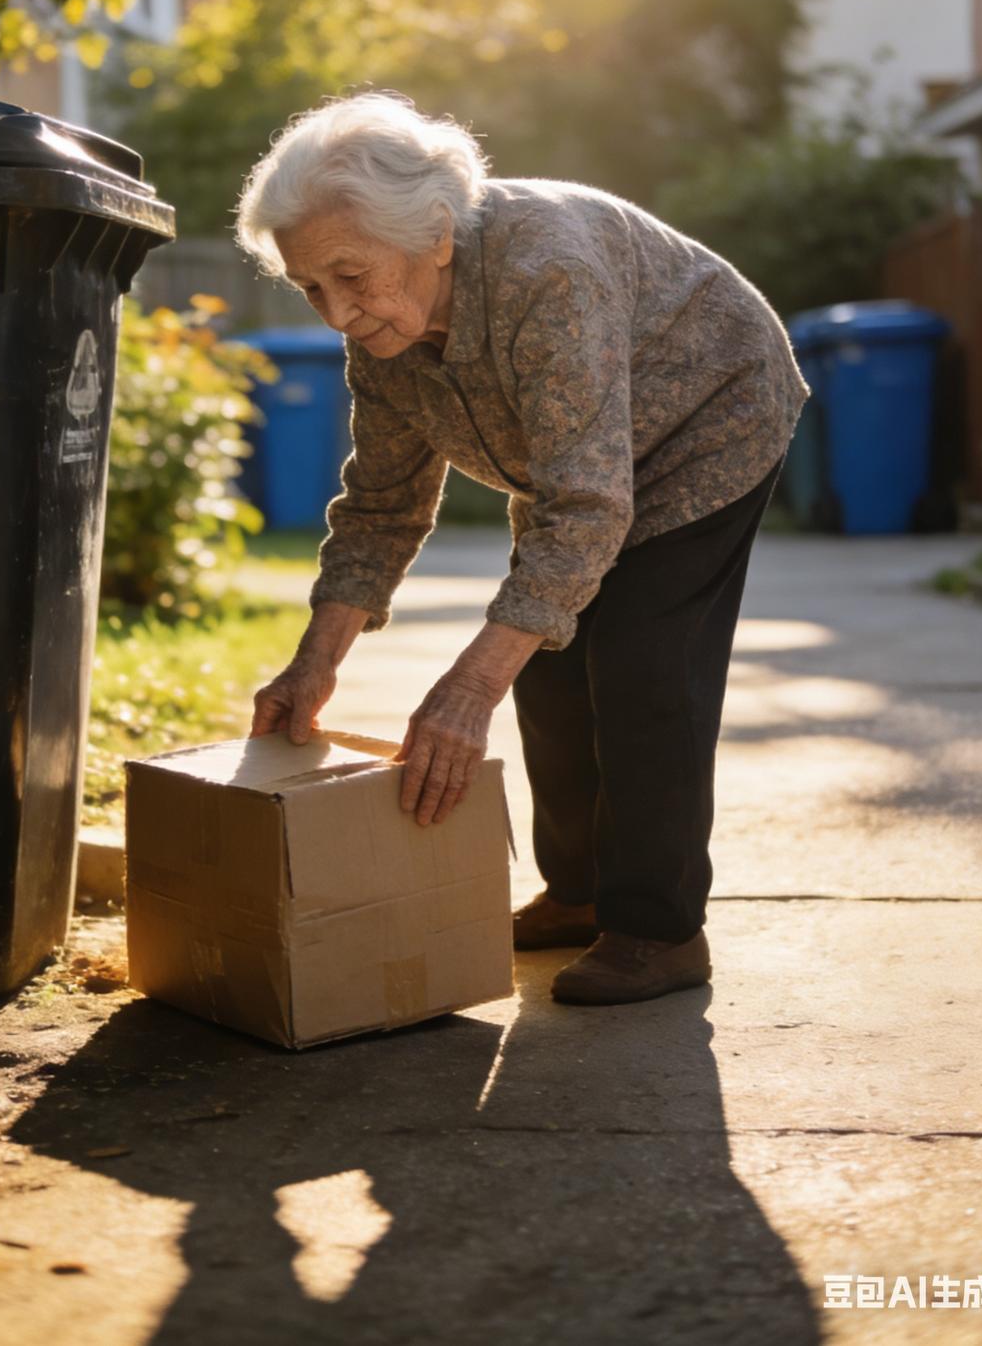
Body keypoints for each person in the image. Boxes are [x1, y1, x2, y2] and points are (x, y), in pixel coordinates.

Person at [241, 93, 808, 1005]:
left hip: (710, 420)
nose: (338, 313)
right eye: (313, 288)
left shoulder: (548, 273)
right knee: (548, 665)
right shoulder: (382, 332)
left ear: (433, 234)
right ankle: (581, 895)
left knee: (640, 663)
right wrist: (314, 664)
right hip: (584, 463)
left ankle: (658, 930)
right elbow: (383, 505)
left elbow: (588, 507)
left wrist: (466, 687)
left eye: (351, 276)